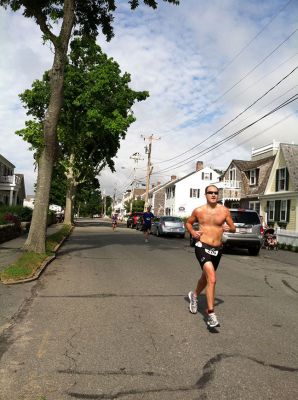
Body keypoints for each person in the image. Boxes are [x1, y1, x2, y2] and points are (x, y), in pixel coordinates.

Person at [185, 185, 235, 328]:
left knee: (205, 278)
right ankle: (211, 315)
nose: (213, 195)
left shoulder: (224, 210)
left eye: (215, 193)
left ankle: (194, 295)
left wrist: (229, 228)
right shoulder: (199, 211)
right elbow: (188, 223)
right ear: (205, 194)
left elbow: (233, 227)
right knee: (212, 278)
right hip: (202, 246)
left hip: (217, 249)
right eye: (210, 192)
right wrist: (193, 233)